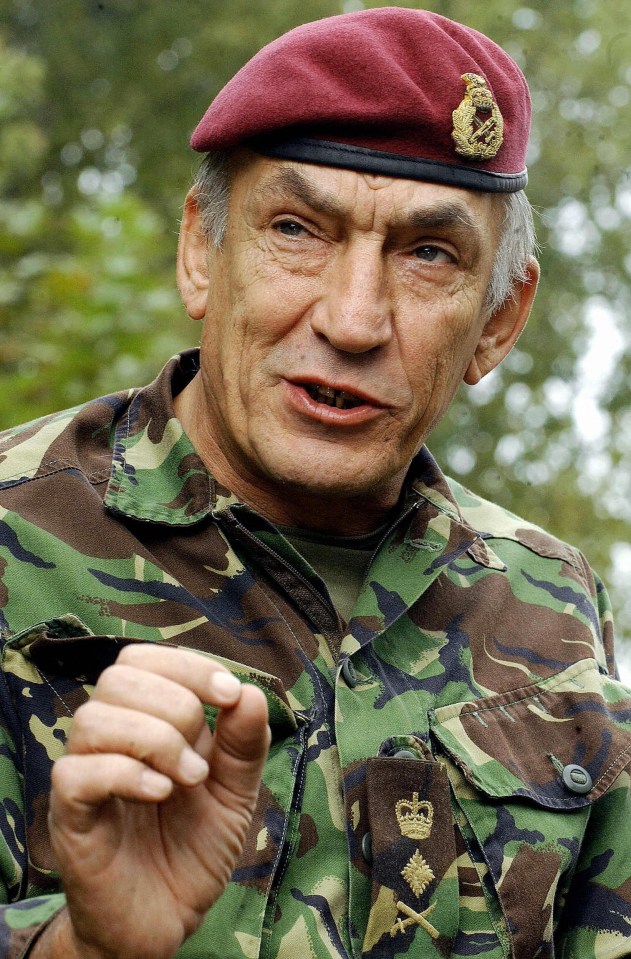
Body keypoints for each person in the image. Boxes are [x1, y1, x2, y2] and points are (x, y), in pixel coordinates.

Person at [0, 6, 630, 958]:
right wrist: (80, 947)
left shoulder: (549, 605)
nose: (352, 317)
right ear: (201, 252)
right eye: (297, 228)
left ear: (498, 321)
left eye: (428, 254)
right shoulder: (15, 535)